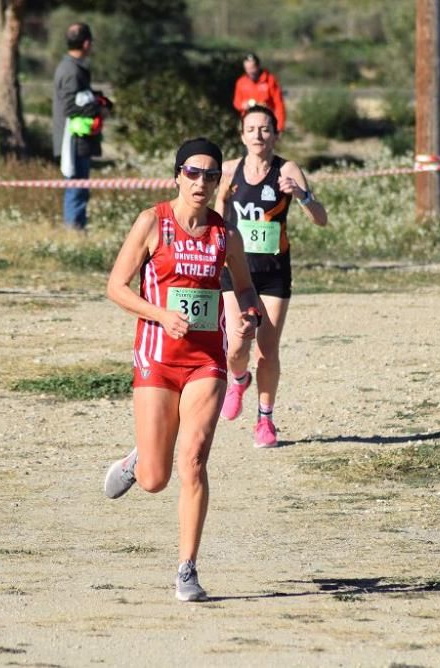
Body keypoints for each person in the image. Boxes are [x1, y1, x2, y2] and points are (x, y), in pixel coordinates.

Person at [102, 138, 260, 602]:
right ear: (177, 175)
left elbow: (246, 290)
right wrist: (160, 314)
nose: (201, 182)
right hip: (156, 358)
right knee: (155, 479)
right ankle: (138, 460)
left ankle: (187, 569)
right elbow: (115, 286)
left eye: (211, 176)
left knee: (192, 458)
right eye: (193, 173)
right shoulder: (153, 222)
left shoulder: (224, 235)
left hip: (205, 361)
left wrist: (248, 317)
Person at [214, 105, 327, 447]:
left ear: (275, 135)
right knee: (236, 346)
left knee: (267, 350)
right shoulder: (230, 170)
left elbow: (320, 218)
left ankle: (265, 420)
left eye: (265, 129)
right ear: (242, 135)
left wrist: (301, 195)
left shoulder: (287, 169)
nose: (258, 135)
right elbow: (218, 213)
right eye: (251, 129)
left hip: (274, 272)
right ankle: (238, 378)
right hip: (236, 270)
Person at [52, 23, 110, 231]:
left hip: (78, 138)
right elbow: (70, 106)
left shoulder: (73, 68)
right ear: (86, 43)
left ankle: (76, 227)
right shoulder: (71, 70)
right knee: (76, 187)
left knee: (79, 187)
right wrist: (98, 110)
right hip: (74, 139)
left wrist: (96, 98)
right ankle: (73, 230)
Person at [231, 53, 286, 134]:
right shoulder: (241, 82)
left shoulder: (270, 80)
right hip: (248, 123)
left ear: (258, 66)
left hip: (266, 122)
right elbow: (236, 102)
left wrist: (280, 125)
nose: (250, 71)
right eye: (247, 68)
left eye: (252, 68)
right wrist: (243, 105)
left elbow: (279, 104)